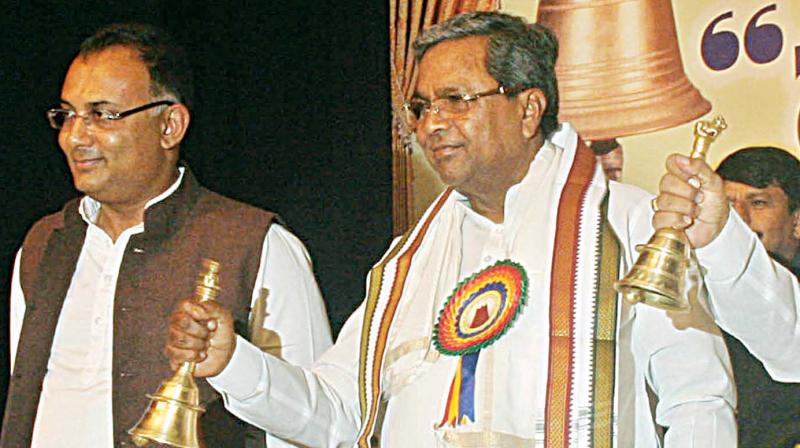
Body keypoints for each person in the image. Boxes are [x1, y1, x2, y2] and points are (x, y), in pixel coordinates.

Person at [166, 12, 736, 447]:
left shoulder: (632, 225)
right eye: (420, 106)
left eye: (456, 101)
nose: (431, 124)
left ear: (529, 108)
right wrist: (233, 361)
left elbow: (698, 399)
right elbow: (338, 413)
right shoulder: (403, 266)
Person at [0, 23, 332, 448]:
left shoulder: (255, 245)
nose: (75, 137)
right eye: (67, 115)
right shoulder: (44, 244)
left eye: (102, 114)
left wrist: (236, 363)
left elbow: (322, 425)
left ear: (170, 126)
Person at [710, 147, 800, 446]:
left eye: (758, 202)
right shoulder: (696, 286)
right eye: (727, 203)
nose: (738, 218)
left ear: (797, 220)